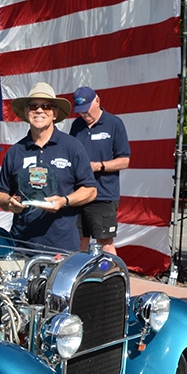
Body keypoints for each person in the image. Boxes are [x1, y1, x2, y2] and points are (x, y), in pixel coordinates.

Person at [0, 82, 97, 251]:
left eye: (46, 106)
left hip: (62, 247)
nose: (39, 110)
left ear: (54, 113)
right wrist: (9, 203)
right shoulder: (15, 152)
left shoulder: (72, 147)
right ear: (26, 112)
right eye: (33, 106)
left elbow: (91, 190)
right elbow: (1, 193)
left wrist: (64, 201)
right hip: (22, 246)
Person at [68, 86, 131, 254]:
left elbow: (124, 161)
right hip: (79, 194)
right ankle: (81, 270)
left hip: (103, 195)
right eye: (80, 111)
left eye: (87, 109)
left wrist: (98, 166)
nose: (84, 114)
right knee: (79, 241)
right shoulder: (76, 126)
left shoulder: (114, 124)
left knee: (105, 242)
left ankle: (113, 271)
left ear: (97, 101)